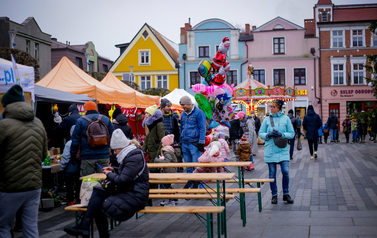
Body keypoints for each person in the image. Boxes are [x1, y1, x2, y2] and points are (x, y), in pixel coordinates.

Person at [64, 129, 150, 238]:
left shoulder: (133, 157)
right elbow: (128, 174)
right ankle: (85, 227)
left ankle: (89, 229)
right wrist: (114, 169)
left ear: (122, 147)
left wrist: (109, 174)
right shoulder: (131, 155)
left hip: (135, 196)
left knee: (99, 205)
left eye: (115, 150)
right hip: (130, 191)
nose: (114, 153)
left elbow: (123, 180)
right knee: (98, 191)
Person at [0, 85, 48, 238]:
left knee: (3, 227)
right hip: (34, 185)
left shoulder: (3, 125)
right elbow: (42, 154)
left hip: (10, 186)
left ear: (7, 106)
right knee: (31, 228)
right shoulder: (38, 123)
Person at [259, 99, 295, 204]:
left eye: (273, 107)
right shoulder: (266, 120)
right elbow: (260, 133)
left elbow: (292, 134)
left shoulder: (286, 119)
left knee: (285, 172)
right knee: (272, 174)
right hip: (270, 149)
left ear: (279, 108)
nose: (271, 108)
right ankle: (274, 195)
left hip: (282, 149)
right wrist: (268, 135)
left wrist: (282, 134)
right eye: (270, 106)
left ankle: (286, 193)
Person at [70, 101, 115, 177]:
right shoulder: (106, 119)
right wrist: (112, 153)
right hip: (104, 155)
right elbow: (113, 136)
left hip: (87, 156)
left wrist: (73, 155)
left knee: (88, 181)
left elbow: (75, 140)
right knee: (104, 180)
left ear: (86, 110)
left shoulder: (80, 121)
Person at [179, 96, 206, 173]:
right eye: (182, 105)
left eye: (184, 105)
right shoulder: (183, 114)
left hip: (194, 143)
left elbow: (202, 128)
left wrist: (201, 142)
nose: (182, 107)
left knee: (197, 167)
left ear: (189, 103)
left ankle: (199, 184)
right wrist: (180, 141)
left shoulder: (199, 113)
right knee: (188, 168)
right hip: (185, 143)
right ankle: (191, 184)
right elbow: (182, 128)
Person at [154, 134, 178, 207]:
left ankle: (171, 201)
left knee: (167, 187)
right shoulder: (169, 150)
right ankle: (171, 199)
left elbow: (167, 162)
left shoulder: (167, 151)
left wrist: (157, 160)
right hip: (169, 171)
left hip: (168, 172)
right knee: (168, 186)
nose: (161, 144)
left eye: (162, 143)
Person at [61, 125, 81, 206]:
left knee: (69, 185)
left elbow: (66, 157)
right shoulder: (84, 141)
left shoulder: (69, 143)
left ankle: (70, 201)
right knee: (79, 185)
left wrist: (62, 168)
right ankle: (79, 200)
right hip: (81, 167)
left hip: (71, 168)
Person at [142, 105, 165, 172]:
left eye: (147, 113)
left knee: (154, 171)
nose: (145, 115)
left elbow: (162, 140)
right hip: (151, 152)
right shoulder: (149, 125)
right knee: (151, 171)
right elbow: (147, 138)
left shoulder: (158, 124)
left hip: (156, 152)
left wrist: (158, 154)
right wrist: (143, 150)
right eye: (145, 113)